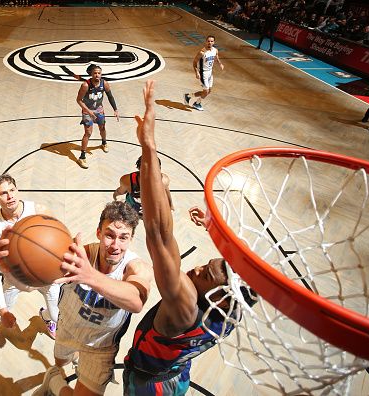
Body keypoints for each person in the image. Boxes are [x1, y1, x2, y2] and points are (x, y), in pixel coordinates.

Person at [123, 80, 255, 395]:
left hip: (150, 385)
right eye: (205, 265)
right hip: (179, 371)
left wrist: (149, 147)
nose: (195, 269)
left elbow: (158, 233)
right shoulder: (233, 307)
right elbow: (246, 267)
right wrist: (210, 225)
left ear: (221, 295)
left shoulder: (184, 306)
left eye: (206, 274)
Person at [31, 200, 152, 396]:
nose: (115, 245)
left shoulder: (136, 267)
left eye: (123, 237)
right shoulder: (84, 254)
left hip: (100, 346)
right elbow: (42, 267)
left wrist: (90, 276)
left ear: (131, 239)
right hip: (68, 328)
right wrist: (16, 264)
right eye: (109, 235)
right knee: (61, 363)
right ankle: (55, 374)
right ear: (98, 233)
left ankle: (53, 381)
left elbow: (136, 301)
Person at [0, 174, 61, 362]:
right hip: (14, 279)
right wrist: (3, 310)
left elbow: (60, 242)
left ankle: (45, 316)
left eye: (12, 190)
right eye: (3, 193)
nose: (10, 196)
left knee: (56, 315)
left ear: (18, 189)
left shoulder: (39, 210)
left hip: (44, 276)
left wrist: (61, 271)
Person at [75, 64, 119, 169]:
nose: (97, 75)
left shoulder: (105, 83)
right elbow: (78, 100)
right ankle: (82, 156)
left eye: (99, 73)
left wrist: (115, 109)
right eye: (95, 73)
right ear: (91, 74)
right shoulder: (85, 85)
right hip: (87, 111)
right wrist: (89, 111)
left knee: (102, 128)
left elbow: (110, 97)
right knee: (88, 133)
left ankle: (104, 143)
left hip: (99, 110)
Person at [183, 35, 224, 111]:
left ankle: (188, 96)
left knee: (209, 91)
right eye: (208, 41)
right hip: (203, 73)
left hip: (210, 73)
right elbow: (194, 62)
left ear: (214, 42)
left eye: (211, 41)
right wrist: (197, 72)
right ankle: (197, 103)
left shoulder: (215, 50)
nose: (210, 43)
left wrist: (220, 64)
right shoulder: (202, 52)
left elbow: (217, 58)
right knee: (206, 91)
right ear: (206, 42)